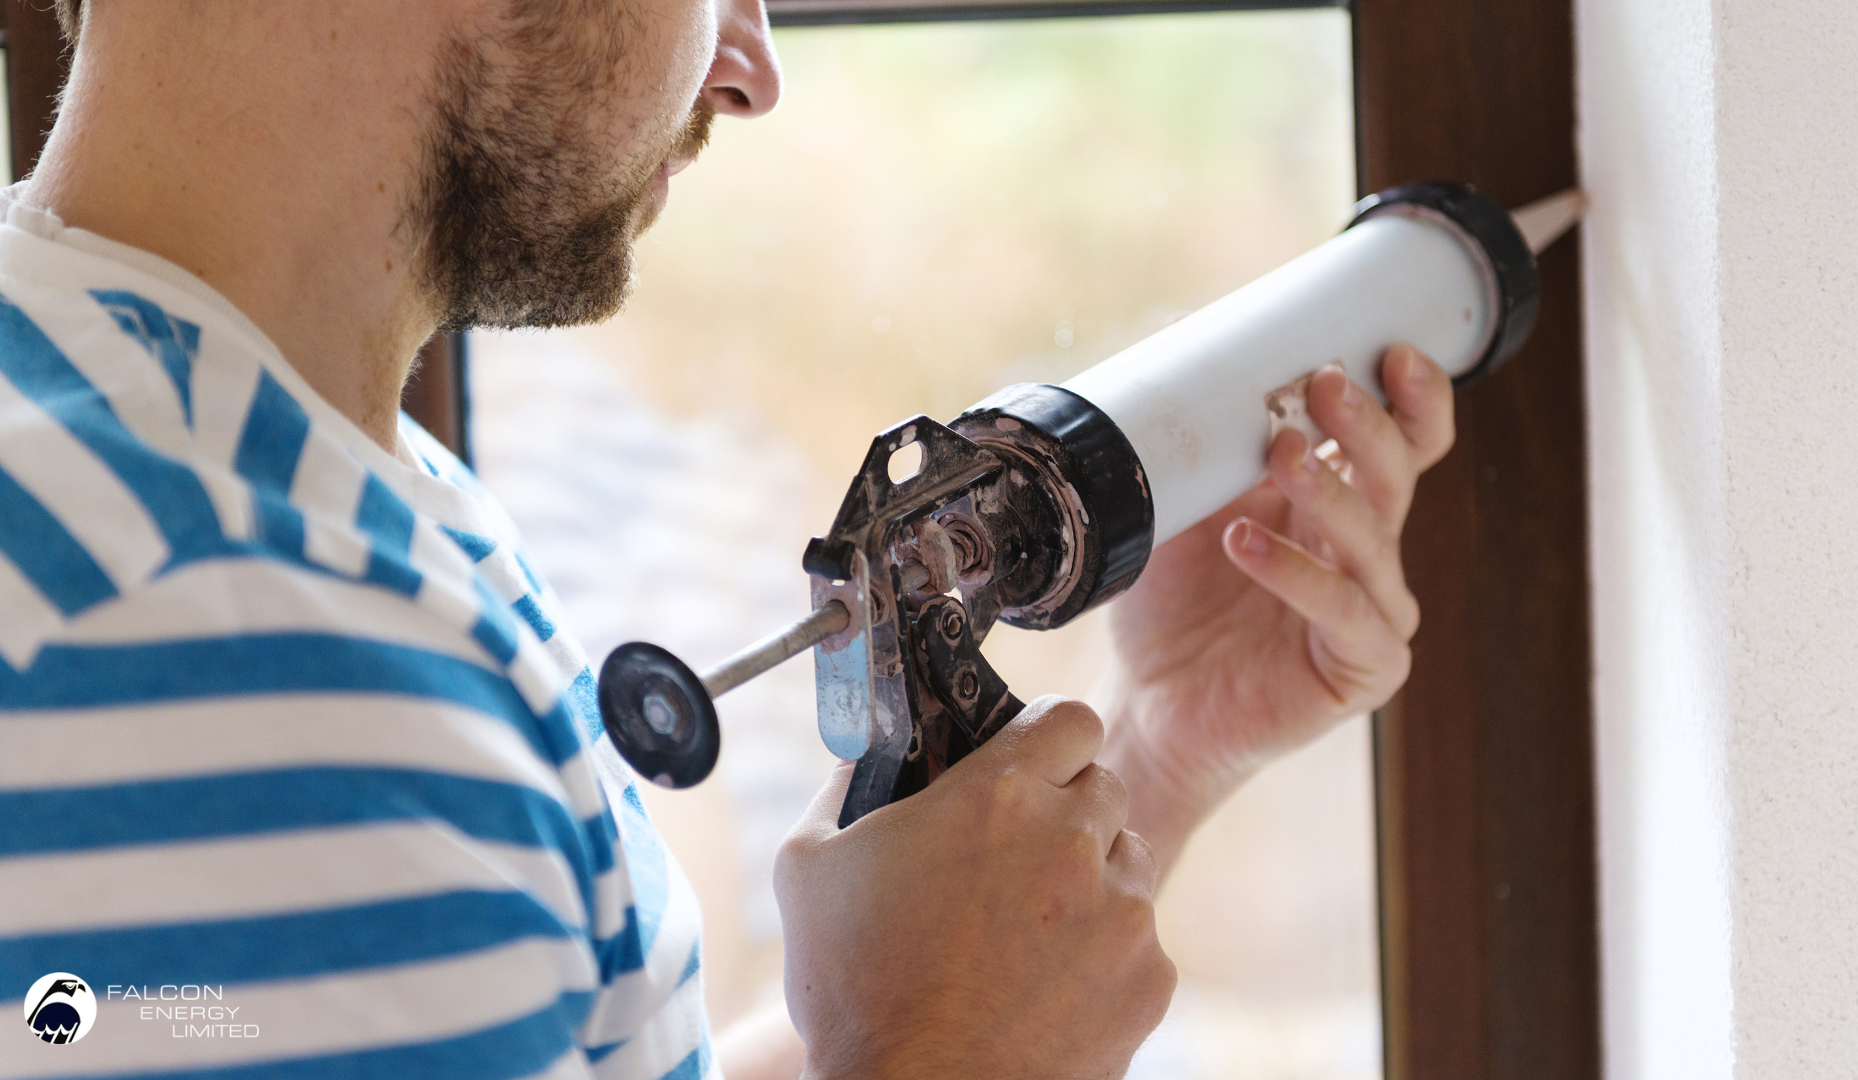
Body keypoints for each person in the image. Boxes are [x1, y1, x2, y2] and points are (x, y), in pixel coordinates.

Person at [0, 1, 1456, 1078]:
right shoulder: (221, 643)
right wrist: (941, 1054)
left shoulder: (244, 454)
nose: (751, 66)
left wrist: (1150, 763)